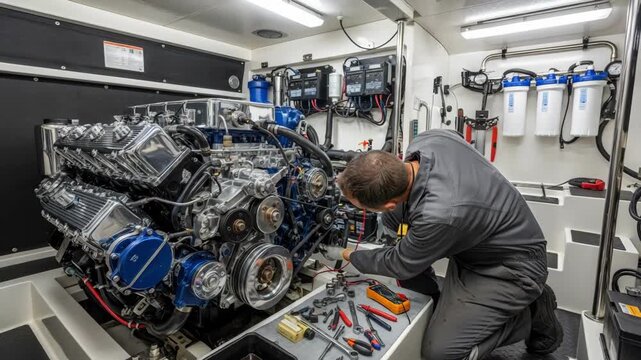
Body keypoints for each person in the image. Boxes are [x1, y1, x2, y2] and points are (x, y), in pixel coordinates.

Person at [320, 129, 563, 360]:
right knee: (397, 227)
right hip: (477, 244)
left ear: (388, 203)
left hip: (510, 269)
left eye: (361, 208)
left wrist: (348, 254)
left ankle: (531, 313)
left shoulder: (440, 216)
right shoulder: (427, 141)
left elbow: (398, 263)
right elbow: (457, 142)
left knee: (440, 353)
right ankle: (433, 302)